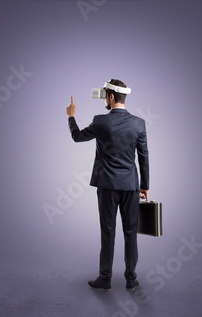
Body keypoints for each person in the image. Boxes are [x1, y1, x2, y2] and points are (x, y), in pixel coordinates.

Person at [66, 79, 149, 291]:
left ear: (111, 97)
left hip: (107, 186)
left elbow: (77, 137)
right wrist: (144, 185)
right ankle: (131, 279)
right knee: (131, 232)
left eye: (105, 95)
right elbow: (143, 156)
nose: (104, 98)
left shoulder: (100, 121)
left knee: (108, 232)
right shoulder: (139, 123)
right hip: (131, 185)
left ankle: (105, 279)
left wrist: (71, 116)